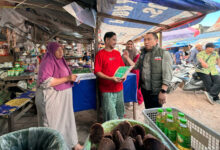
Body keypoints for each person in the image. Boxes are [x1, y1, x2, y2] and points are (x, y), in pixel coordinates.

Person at [35, 42, 83, 150]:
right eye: (58, 50)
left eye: (62, 49)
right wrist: (67, 79)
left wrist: (73, 78)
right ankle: (53, 147)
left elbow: (64, 75)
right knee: (53, 124)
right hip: (52, 99)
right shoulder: (47, 62)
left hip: (63, 99)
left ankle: (72, 144)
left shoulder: (61, 61)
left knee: (67, 121)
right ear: (52, 51)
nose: (61, 52)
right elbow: (45, 82)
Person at [123, 32, 173, 109]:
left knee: (155, 113)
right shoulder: (143, 54)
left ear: (156, 40)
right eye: (145, 40)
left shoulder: (163, 53)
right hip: (145, 90)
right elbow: (135, 66)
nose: (146, 42)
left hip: (156, 91)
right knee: (148, 110)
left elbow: (167, 74)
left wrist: (163, 91)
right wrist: (125, 69)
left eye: (149, 39)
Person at [94, 32, 126, 122]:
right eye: (114, 39)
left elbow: (123, 68)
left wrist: (125, 75)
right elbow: (97, 71)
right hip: (107, 90)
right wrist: (110, 78)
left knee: (120, 114)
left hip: (119, 88)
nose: (115, 42)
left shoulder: (117, 53)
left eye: (116, 40)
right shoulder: (100, 54)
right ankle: (111, 134)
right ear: (107, 40)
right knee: (110, 116)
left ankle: (120, 132)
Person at [122, 40, 144, 105]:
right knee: (128, 87)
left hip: (135, 72)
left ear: (133, 45)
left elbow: (134, 65)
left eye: (131, 44)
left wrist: (127, 57)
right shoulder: (124, 53)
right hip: (127, 72)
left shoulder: (137, 54)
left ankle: (136, 101)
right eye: (128, 44)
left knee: (135, 87)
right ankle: (129, 101)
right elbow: (122, 63)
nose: (129, 45)